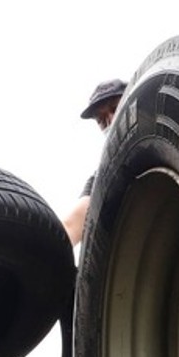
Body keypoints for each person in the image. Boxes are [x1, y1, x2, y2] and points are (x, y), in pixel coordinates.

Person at [62, 78, 126, 246]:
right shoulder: (102, 177)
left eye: (114, 108)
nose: (110, 121)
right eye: (100, 119)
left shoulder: (169, 134)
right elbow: (70, 227)